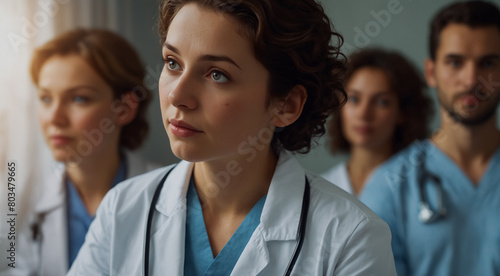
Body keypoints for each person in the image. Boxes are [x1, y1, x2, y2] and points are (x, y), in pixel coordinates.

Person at [68, 0, 397, 275]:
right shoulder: (122, 210)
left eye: (217, 74)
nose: (178, 95)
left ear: (286, 104)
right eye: (172, 63)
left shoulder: (352, 238)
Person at [360, 1, 500, 275]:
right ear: (432, 73)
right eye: (455, 62)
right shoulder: (390, 186)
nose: (471, 79)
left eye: (487, 63)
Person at [18, 28, 160, 275]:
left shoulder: (167, 197)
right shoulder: (21, 197)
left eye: (79, 98)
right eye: (45, 98)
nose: (54, 118)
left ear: (124, 108)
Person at [322, 49, 433, 196]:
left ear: (403, 112)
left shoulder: (424, 187)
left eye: (381, 102)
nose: (364, 114)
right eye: (354, 99)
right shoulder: (322, 187)